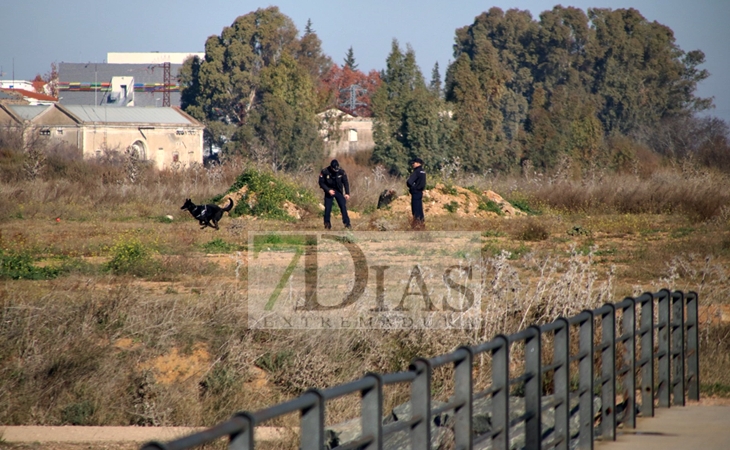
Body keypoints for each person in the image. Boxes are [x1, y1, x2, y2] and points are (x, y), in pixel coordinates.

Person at [319, 159, 351, 229]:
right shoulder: (325, 171)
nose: (335, 170)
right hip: (329, 191)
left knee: (343, 206)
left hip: (338, 191)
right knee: (328, 208)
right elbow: (321, 183)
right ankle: (327, 225)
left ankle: (347, 224)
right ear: (331, 167)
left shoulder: (341, 172)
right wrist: (328, 190)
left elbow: (345, 182)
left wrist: (347, 193)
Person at [406, 157, 426, 229]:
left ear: (418, 163)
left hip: (415, 192)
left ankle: (416, 225)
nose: (412, 165)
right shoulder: (423, 172)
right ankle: (421, 224)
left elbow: (409, 182)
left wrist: (412, 187)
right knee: (420, 209)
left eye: (413, 163)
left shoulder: (417, 172)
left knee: (415, 209)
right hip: (420, 192)